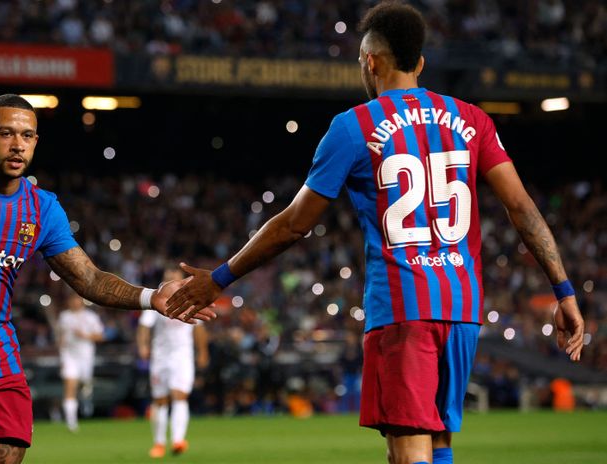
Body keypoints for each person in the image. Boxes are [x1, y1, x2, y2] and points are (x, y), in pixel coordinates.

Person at [166, 3, 585, 464]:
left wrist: (220, 278)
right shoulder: (471, 119)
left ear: (370, 60)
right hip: (462, 308)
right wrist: (563, 290)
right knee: (438, 442)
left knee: (407, 450)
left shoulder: (352, 127)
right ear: (419, 63)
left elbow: (292, 225)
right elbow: (521, 208)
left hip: (403, 308)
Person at [0, 93, 215, 464]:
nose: (18, 144)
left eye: (27, 135)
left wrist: (151, 296)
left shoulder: (41, 208)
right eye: (6, 133)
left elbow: (89, 279)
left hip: (0, 364)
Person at [137, 267, 209, 458]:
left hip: (182, 357)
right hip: (161, 357)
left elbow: (199, 329)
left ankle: (178, 440)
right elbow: (144, 326)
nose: (170, 280)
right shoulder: (157, 300)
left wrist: (202, 351)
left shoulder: (191, 301)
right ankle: (159, 443)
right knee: (160, 400)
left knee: (180, 396)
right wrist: (143, 345)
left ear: (181, 281)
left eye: (174, 277)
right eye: (167, 277)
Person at [49, 292, 104, 432]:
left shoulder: (91, 317)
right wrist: (61, 355)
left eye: (77, 300)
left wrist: (85, 335)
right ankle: (71, 422)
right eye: (72, 300)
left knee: (84, 384)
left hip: (86, 356)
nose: (74, 302)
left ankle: (86, 400)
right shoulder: (64, 317)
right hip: (69, 356)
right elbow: (61, 338)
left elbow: (100, 336)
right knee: (70, 385)